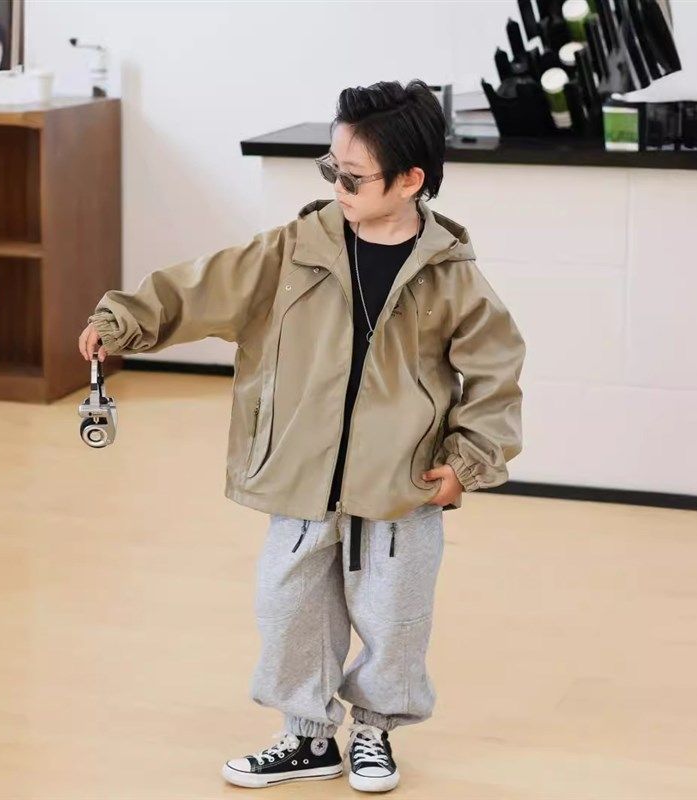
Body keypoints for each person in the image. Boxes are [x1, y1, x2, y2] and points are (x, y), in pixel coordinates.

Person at [78, 79, 526, 793]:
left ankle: (374, 730)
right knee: (290, 610)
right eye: (330, 170)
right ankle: (307, 736)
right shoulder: (293, 251)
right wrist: (122, 322)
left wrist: (468, 460)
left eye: (352, 177)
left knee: (396, 619)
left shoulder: (451, 277)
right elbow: (199, 288)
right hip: (300, 477)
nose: (335, 187)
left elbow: (496, 373)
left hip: (400, 487)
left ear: (410, 181)